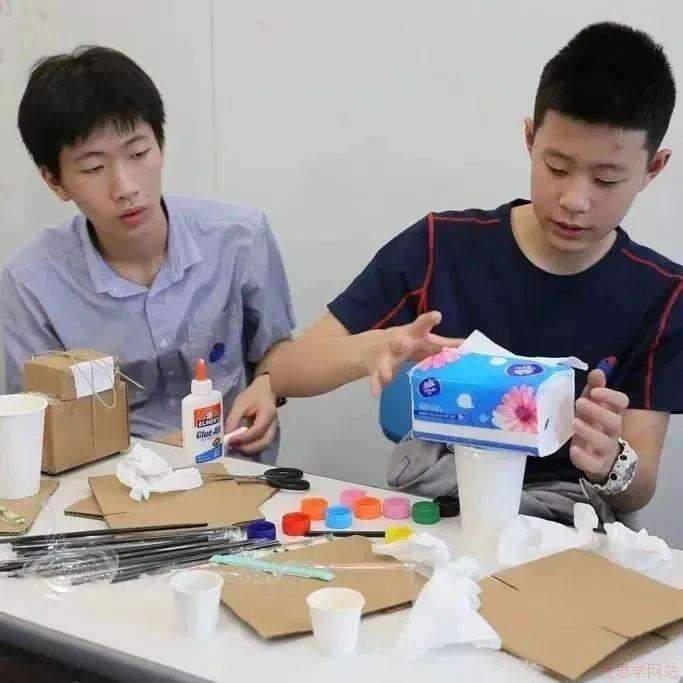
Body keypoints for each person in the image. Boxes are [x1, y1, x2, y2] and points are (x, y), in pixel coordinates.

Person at [264, 22, 682, 521]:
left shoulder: (661, 294)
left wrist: (612, 462)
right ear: (529, 139)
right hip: (446, 509)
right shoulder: (441, 247)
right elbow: (285, 370)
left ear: (653, 168)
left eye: (606, 179)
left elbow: (639, 487)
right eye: (556, 168)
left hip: (567, 523)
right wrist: (368, 350)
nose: (575, 200)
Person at [1, 46, 295, 462]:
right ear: (55, 181)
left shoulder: (240, 238)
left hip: (236, 469)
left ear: (160, 145)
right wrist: (141, 451)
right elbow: (35, 426)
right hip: (107, 481)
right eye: (93, 168)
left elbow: (274, 350)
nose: (126, 187)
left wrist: (268, 387)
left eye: (138, 153)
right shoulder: (31, 284)